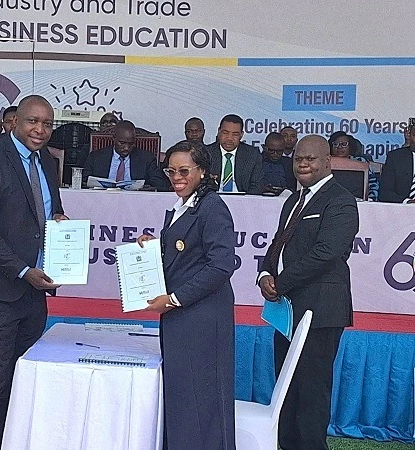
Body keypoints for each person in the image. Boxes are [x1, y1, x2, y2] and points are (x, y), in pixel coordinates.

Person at [0, 95, 67, 450]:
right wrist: (23, 270)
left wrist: (60, 224)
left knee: (25, 378)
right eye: (32, 122)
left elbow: (49, 214)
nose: (40, 130)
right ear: (14, 122)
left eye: (47, 124)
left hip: (34, 292)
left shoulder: (47, 163)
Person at [258, 135, 359, 450]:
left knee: (312, 390)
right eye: (298, 158)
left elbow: (327, 252)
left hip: (321, 308)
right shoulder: (293, 200)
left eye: (310, 159)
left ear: (327, 162)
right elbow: (279, 242)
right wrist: (264, 273)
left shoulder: (340, 200)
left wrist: (282, 282)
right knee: (286, 387)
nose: (302, 164)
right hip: (287, 309)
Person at [137, 140, 236, 449]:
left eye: (184, 171)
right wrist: (154, 246)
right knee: (183, 397)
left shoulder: (212, 207)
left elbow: (221, 266)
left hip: (201, 318)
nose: (176, 177)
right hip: (183, 316)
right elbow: (186, 254)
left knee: (199, 402)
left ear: (203, 172)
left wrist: (174, 298)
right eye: (171, 170)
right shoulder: (185, 204)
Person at [81, 119, 168, 189]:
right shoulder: (96, 157)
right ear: (114, 138)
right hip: (102, 199)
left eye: (131, 144)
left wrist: (149, 188)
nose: (126, 148)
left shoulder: (146, 158)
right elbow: (83, 182)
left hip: (135, 201)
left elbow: (160, 185)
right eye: (122, 143)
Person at [206, 114, 263, 194]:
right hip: (212, 201)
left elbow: (257, 186)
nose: (229, 138)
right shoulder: (206, 153)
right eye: (225, 133)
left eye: (235, 134)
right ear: (219, 132)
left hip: (243, 201)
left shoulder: (252, 154)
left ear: (241, 135)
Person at [329, 131, 379, 201]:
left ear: (350, 146)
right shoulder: (325, 162)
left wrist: (369, 202)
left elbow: (373, 184)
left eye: (344, 144)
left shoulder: (361, 161)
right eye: (335, 144)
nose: (339, 147)